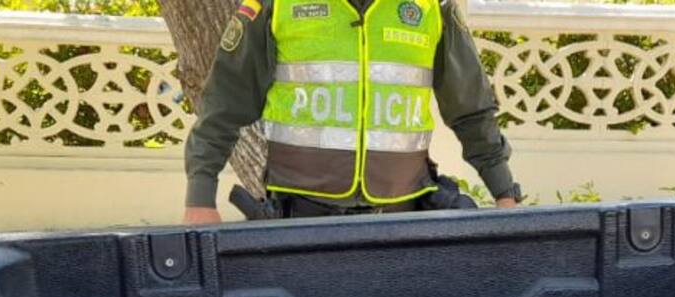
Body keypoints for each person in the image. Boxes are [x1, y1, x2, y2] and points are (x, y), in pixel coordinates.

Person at [182, 0, 521, 223]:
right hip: (301, 218)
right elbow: (223, 106)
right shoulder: (276, 5)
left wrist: (504, 193)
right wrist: (200, 198)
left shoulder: (431, 7)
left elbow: (471, 109)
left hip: (404, 218)